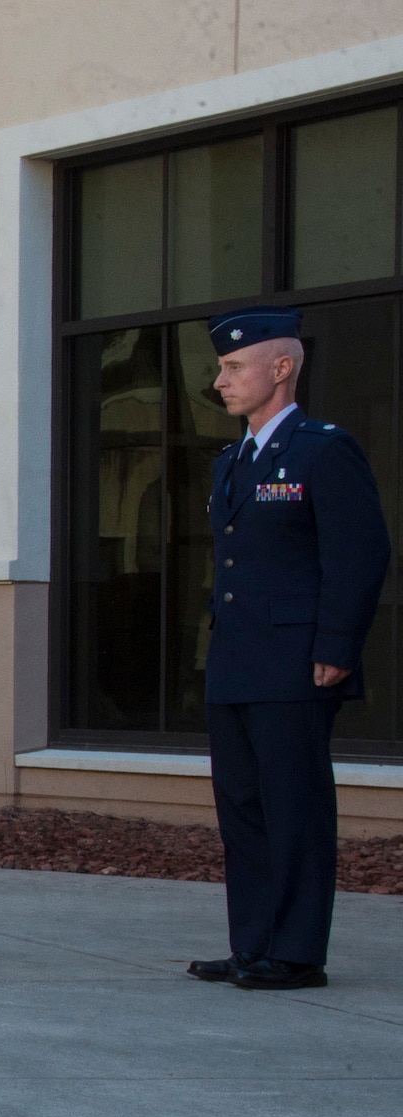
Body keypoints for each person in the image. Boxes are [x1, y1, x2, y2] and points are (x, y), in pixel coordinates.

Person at [189, 305, 389, 991]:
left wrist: (338, 643)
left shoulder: (322, 450)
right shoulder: (230, 463)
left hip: (297, 661)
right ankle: (254, 944)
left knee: (294, 807)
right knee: (242, 808)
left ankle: (297, 952)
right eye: (221, 367)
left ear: (281, 368)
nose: (221, 380)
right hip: (238, 661)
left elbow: (359, 554)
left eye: (233, 365)